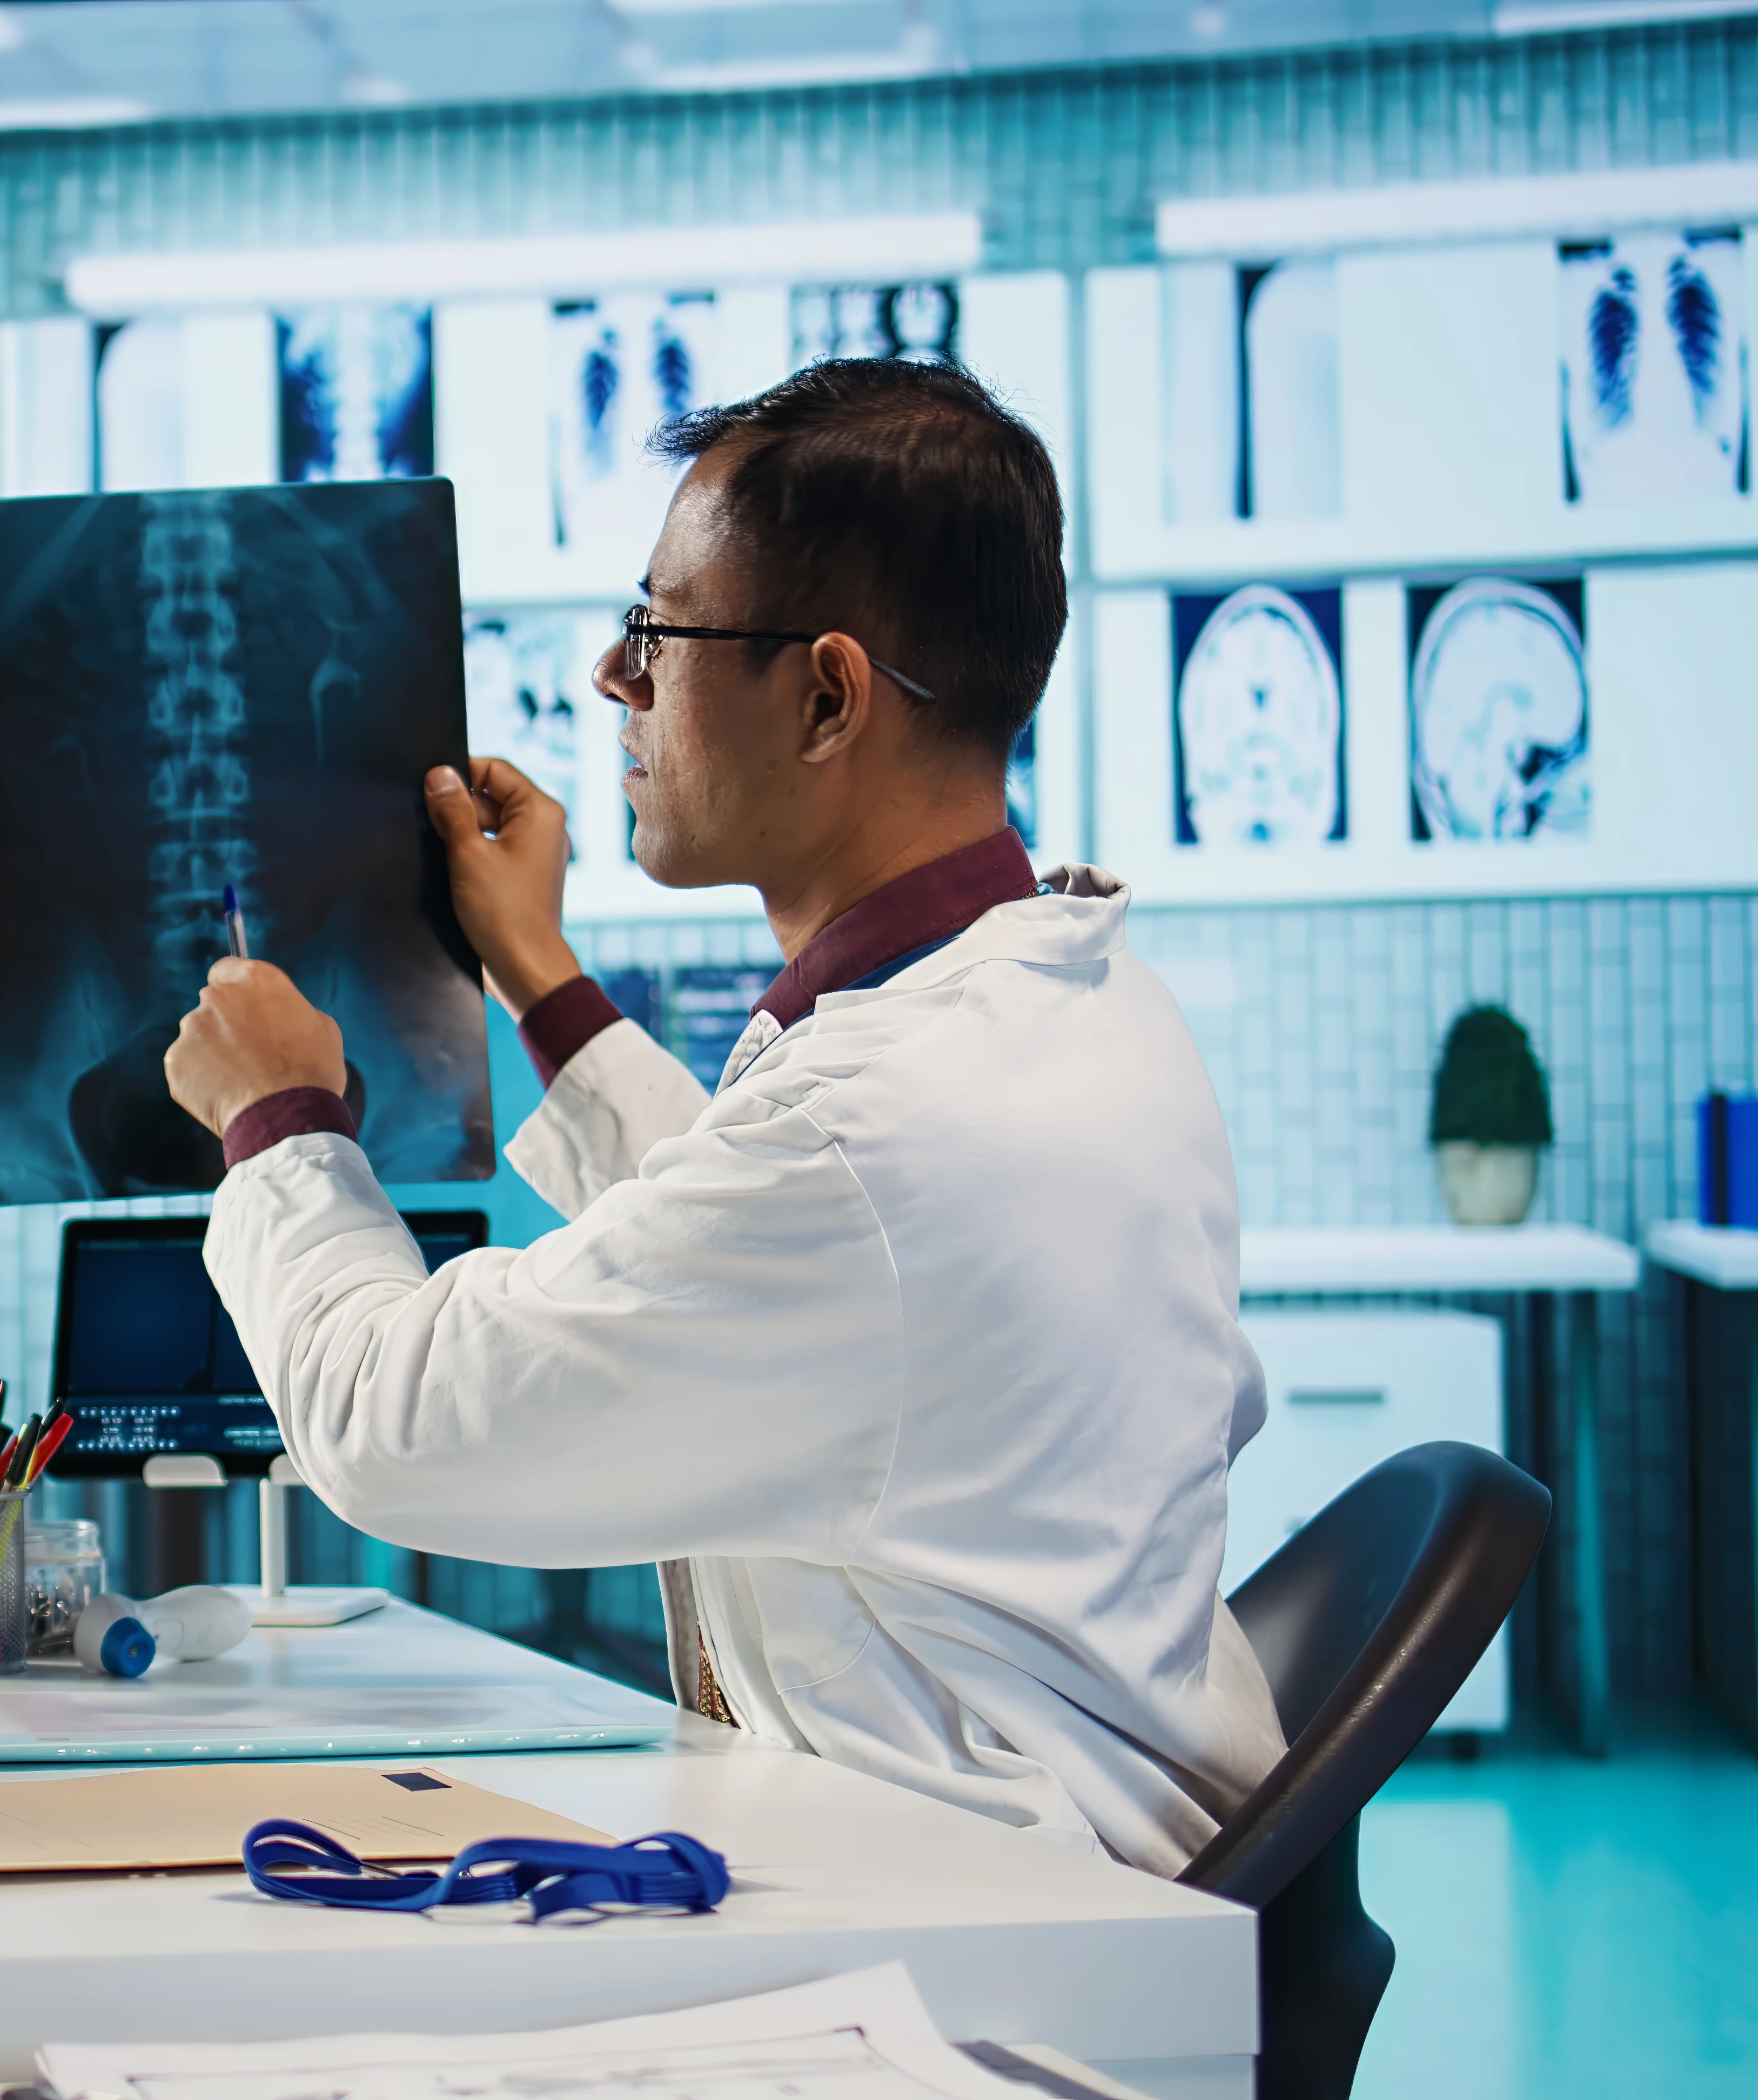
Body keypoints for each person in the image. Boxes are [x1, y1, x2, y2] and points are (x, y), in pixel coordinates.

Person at [162, 359, 1284, 1873]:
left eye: (659, 633)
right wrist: (540, 979)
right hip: (1043, 1858)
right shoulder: (1064, 1004)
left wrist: (277, 1121)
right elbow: (788, 1245)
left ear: (827, 695)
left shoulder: (885, 1129)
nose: (617, 683)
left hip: (976, 1930)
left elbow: (393, 1425)